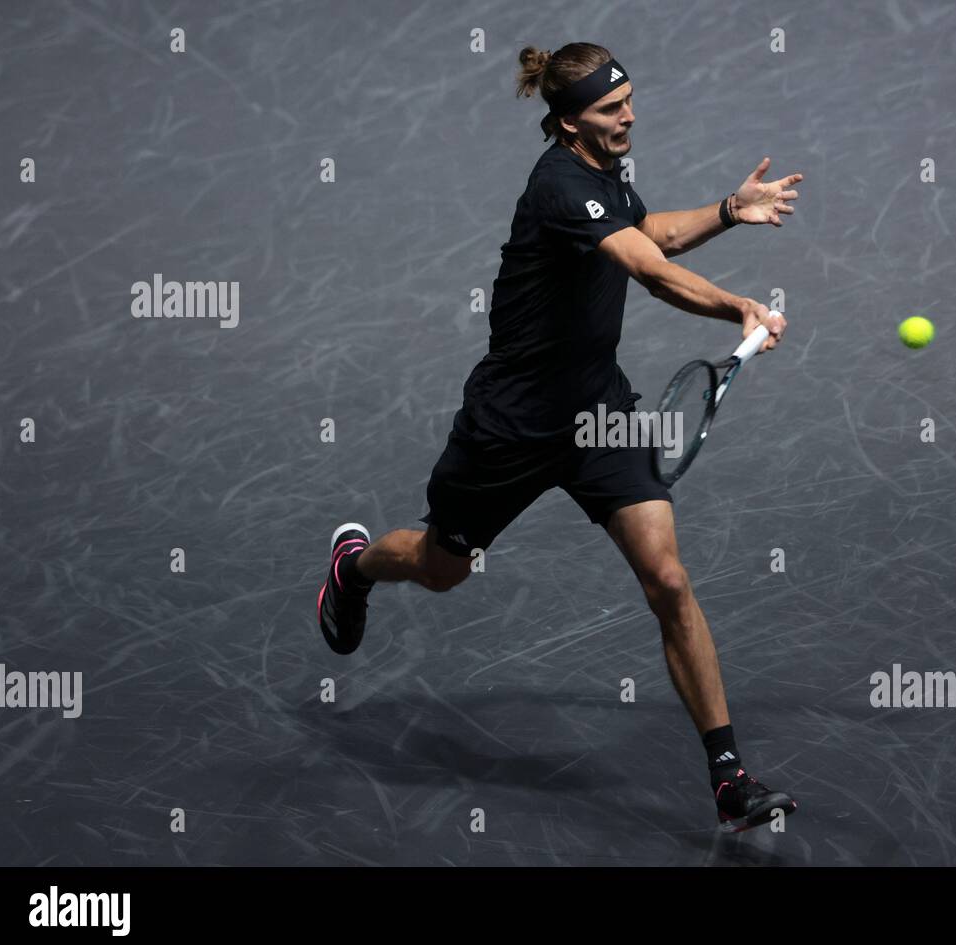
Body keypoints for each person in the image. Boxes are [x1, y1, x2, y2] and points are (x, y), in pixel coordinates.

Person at [318, 42, 805, 833]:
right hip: (510, 427)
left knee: (669, 581)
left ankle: (729, 779)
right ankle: (356, 565)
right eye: (613, 109)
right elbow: (647, 272)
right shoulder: (558, 184)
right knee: (442, 569)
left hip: (597, 416)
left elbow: (650, 233)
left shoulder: (602, 169)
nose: (630, 116)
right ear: (569, 120)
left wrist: (726, 211)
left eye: (630, 100)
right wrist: (737, 307)